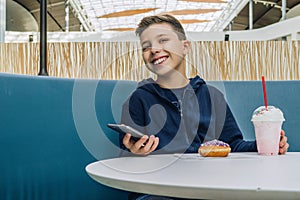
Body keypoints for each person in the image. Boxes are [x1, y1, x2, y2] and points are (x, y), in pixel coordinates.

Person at [119, 14, 289, 200]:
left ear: (185, 47)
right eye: (146, 47)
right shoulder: (138, 99)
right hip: (158, 192)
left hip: (209, 188)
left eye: (163, 40)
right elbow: (126, 156)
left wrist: (264, 146)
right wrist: (134, 153)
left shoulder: (211, 95)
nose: (154, 49)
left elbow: (233, 144)